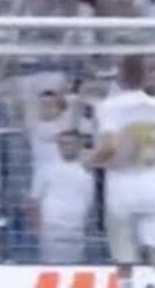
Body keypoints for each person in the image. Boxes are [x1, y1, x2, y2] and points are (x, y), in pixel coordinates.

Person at [88, 56, 155, 288]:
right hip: (152, 183)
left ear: (119, 76)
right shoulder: (152, 106)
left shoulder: (111, 106)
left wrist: (90, 160)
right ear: (146, 76)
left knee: (123, 249)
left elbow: (110, 146)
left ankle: (126, 284)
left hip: (122, 186)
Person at [29, 130, 94, 264]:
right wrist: (37, 230)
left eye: (70, 143)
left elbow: (89, 202)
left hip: (77, 230)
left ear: (79, 145)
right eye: (62, 143)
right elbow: (34, 200)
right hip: (52, 229)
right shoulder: (46, 169)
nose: (65, 147)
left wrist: (87, 229)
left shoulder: (87, 171)